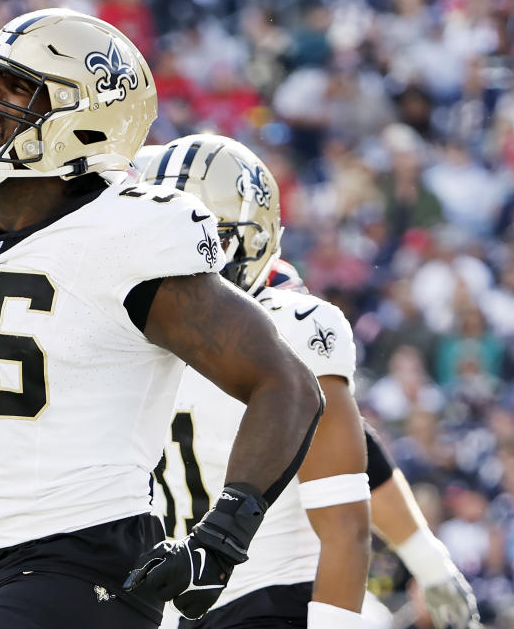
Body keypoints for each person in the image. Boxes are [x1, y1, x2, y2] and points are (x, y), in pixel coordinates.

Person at [0, 9, 324, 629]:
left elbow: (286, 383)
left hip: (90, 558)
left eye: (16, 87)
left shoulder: (128, 235)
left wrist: (222, 535)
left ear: (85, 121)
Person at [137, 134, 480, 629]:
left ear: (248, 241)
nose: (177, 260)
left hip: (270, 591)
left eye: (199, 241)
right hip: (175, 605)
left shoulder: (286, 321)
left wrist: (428, 562)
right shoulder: (124, 326)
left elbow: (345, 470)